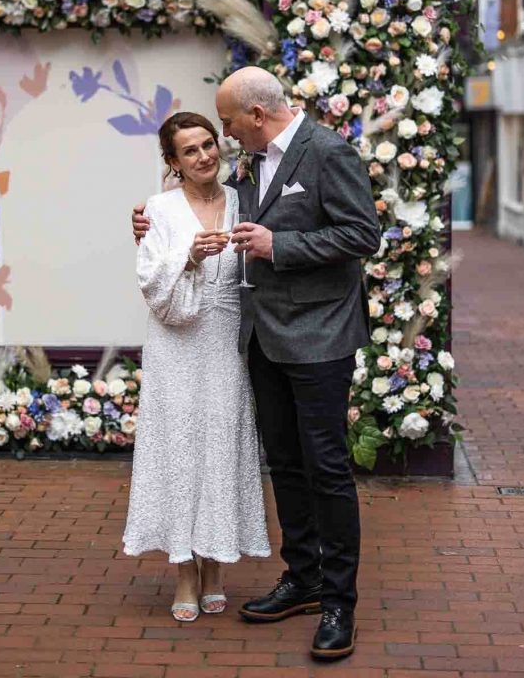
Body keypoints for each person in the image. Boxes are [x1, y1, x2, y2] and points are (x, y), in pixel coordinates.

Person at [133, 67, 381, 660]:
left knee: (326, 468)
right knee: (288, 466)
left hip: (320, 336)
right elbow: (199, 209)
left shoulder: (328, 151)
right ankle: (304, 577)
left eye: (225, 125)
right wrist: (147, 223)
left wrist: (281, 246)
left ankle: (339, 602)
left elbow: (363, 234)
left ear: (257, 117)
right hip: (260, 339)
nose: (221, 138)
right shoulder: (249, 164)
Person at [123, 110, 270, 623]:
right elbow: (149, 285)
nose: (205, 155)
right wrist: (186, 257)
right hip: (176, 345)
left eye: (209, 144)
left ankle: (215, 565)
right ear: (173, 162)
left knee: (220, 448)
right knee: (180, 450)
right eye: (190, 150)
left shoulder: (243, 200)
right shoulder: (158, 212)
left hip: (227, 342)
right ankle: (184, 569)